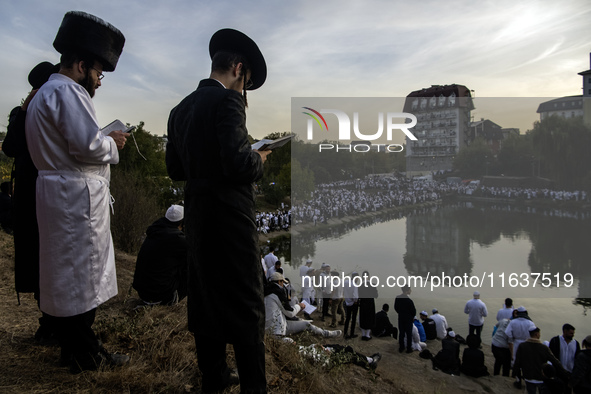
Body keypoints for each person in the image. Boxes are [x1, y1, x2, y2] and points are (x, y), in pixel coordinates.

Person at [166, 28, 271, 393]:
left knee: (206, 296)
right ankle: (254, 386)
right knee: (246, 302)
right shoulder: (228, 102)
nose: (246, 91)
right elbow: (237, 165)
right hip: (231, 218)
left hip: (197, 216)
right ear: (239, 69)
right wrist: (258, 157)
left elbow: (175, 170)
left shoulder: (180, 109)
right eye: (248, 82)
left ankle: (213, 376)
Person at [25, 11, 129, 373]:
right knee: (81, 276)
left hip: (59, 193)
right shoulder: (69, 91)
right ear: (82, 65)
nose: (99, 82)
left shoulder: (43, 94)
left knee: (66, 274)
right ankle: (84, 353)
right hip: (75, 199)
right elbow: (87, 146)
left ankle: (74, 347)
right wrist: (111, 142)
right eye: (98, 73)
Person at [4, 61, 59, 344]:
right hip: (29, 195)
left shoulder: (52, 110)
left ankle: (52, 322)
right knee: (37, 257)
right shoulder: (24, 114)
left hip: (47, 192)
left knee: (50, 259)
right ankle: (47, 322)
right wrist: (23, 111)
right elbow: (10, 147)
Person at [132, 205, 187, 305]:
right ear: (182, 222)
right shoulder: (178, 239)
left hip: (143, 294)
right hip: (162, 297)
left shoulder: (154, 231)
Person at [264, 272, 341, 338]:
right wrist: (299, 306)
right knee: (306, 325)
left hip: (277, 325)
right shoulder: (277, 292)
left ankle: (325, 333)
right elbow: (290, 313)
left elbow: (284, 310)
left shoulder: (266, 292)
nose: (283, 285)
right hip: (277, 331)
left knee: (305, 323)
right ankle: (325, 333)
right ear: (279, 282)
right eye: (282, 283)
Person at [513, 327, 567, 393]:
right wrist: (565, 373)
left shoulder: (522, 346)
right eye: (539, 333)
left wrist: (514, 373)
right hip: (541, 378)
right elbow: (555, 361)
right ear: (536, 334)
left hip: (528, 376)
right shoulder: (544, 348)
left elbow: (517, 362)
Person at [394, 285, 416, 353]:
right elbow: (413, 312)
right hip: (408, 319)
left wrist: (400, 313)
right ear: (407, 290)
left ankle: (401, 347)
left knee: (401, 333)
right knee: (409, 334)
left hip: (401, 318)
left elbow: (396, 308)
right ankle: (409, 349)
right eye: (410, 289)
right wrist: (411, 316)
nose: (411, 291)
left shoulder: (397, 298)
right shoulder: (409, 301)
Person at [358, 270, 378, 341]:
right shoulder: (373, 285)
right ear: (369, 277)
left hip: (363, 303)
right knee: (370, 318)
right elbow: (376, 295)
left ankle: (363, 334)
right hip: (370, 303)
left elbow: (359, 296)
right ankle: (367, 335)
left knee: (363, 317)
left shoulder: (360, 286)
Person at [343, 272, 359, 339]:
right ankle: (351, 333)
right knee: (353, 318)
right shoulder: (354, 285)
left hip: (347, 302)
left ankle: (345, 333)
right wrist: (355, 301)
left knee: (347, 318)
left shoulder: (346, 282)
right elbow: (355, 296)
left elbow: (343, 290)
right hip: (353, 303)